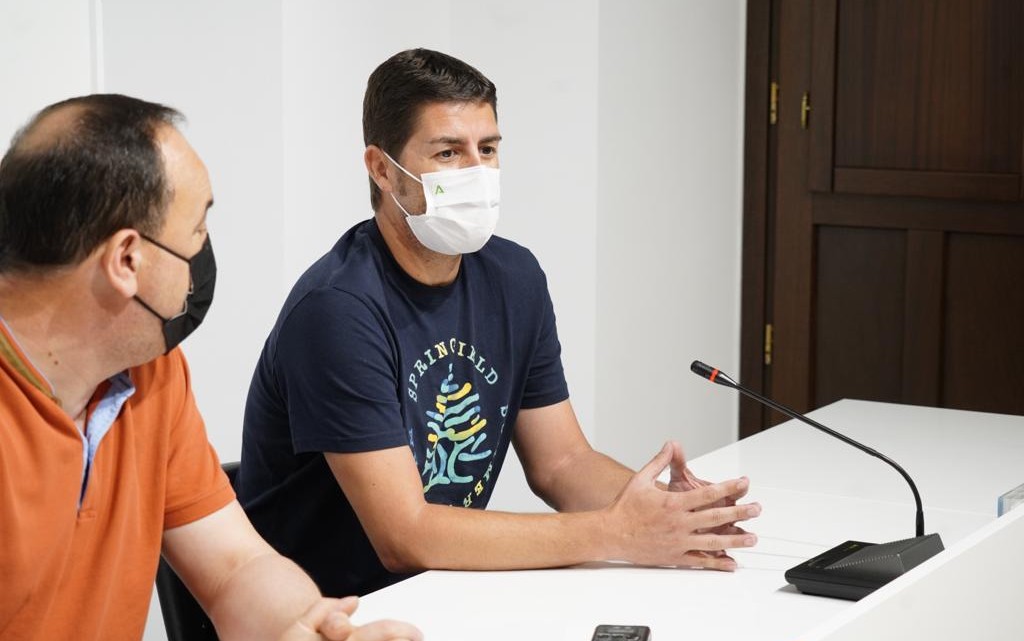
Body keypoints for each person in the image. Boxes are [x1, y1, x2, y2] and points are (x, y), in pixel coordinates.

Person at [237, 48, 761, 599]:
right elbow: (405, 536)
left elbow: (562, 462)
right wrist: (615, 531)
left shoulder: (515, 277)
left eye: (487, 149)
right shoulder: (337, 310)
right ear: (382, 169)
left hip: (446, 594)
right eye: (447, 152)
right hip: (327, 613)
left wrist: (667, 511)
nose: (477, 172)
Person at [0, 94, 421, 641]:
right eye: (197, 230)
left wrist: (312, 622)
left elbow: (234, 570)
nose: (204, 252)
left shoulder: (150, 373)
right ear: (127, 259)